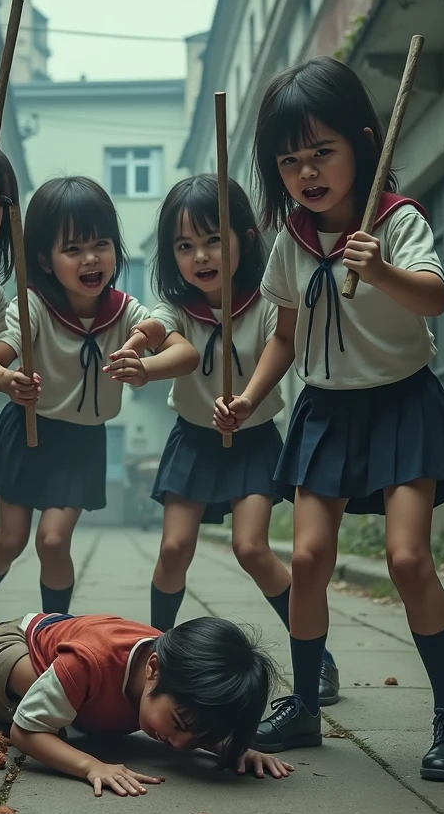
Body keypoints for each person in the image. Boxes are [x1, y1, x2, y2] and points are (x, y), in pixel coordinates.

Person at [215, 56, 444, 781]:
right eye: (289, 161)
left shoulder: (400, 220)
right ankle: (301, 707)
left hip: (402, 401)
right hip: (324, 409)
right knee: (308, 559)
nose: (307, 173)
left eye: (322, 153)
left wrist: (380, 266)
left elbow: (434, 300)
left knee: (408, 558)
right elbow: (284, 338)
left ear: (364, 141)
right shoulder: (290, 242)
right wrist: (252, 398)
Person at [132, 173, 340, 707]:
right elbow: (156, 330)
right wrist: (137, 347)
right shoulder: (179, 307)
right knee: (175, 548)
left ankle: (316, 654)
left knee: (251, 548)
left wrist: (246, 397)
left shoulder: (269, 298)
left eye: (212, 239)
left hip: (253, 440)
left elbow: (285, 345)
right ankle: (155, 650)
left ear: (246, 237)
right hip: (193, 440)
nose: (200, 256)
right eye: (184, 245)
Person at [0, 176, 199, 640]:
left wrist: (147, 368)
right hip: (28, 428)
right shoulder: (32, 306)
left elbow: (186, 353)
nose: (91, 258)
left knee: (53, 539)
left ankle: (54, 631)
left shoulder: (128, 310)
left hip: (81, 441)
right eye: (72, 249)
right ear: (44, 261)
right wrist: (8, 381)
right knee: (8, 541)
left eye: (101, 244)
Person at [0, 612, 293, 795]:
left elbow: (198, 720)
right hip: (13, 643)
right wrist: (91, 766)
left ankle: (33, 705)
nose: (181, 746)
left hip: (78, 674)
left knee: (65, 707)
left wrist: (232, 747)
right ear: (153, 669)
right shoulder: (88, 661)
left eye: (198, 737)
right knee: (41, 700)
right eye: (179, 724)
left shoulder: (175, 676)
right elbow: (25, 733)